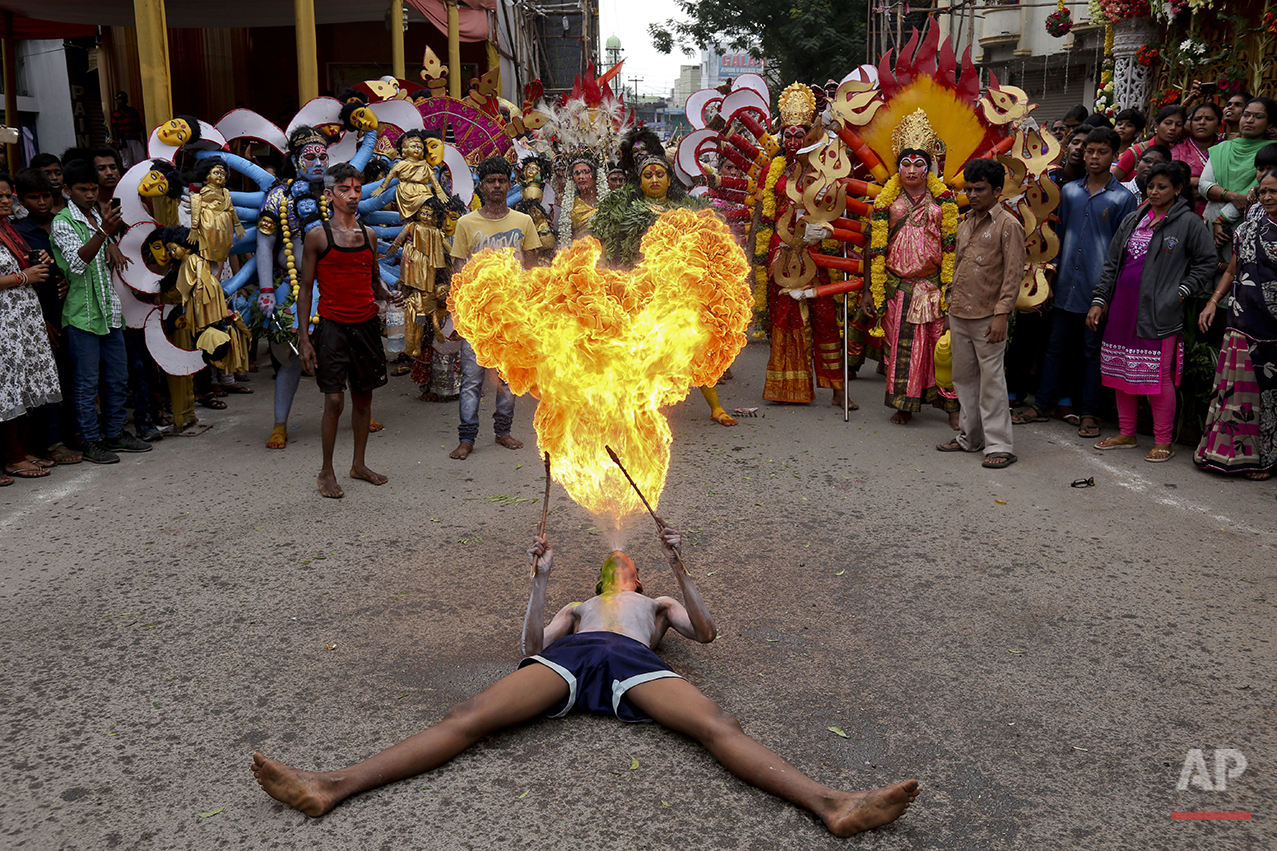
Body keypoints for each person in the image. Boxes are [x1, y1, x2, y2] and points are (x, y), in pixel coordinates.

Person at [249, 524, 920, 835]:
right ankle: (329, 784)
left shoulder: (653, 605)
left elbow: (706, 633)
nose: (615, 562)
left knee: (718, 724)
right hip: (574, 656)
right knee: (468, 716)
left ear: (635, 578)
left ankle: (831, 802)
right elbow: (528, 644)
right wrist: (540, 583)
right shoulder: (577, 604)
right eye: (609, 562)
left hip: (632, 661)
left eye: (624, 563)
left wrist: (680, 566)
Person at [1012, 128, 1137, 439]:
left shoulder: (1123, 199)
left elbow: (1124, 251)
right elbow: (1055, 238)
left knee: (1092, 352)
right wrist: (1049, 281)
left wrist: (1108, 296)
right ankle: (1042, 405)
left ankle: (1090, 412)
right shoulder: (1068, 192)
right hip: (1066, 282)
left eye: (1102, 152)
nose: (1093, 157)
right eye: (1090, 151)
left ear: (1114, 155)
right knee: (1054, 347)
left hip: (1099, 289)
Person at [1086, 163, 1216, 462]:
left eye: (1162, 187)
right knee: (1122, 370)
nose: (1154, 192)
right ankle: (1127, 433)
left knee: (1158, 378)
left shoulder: (1189, 223)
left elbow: (1207, 262)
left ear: (1178, 189)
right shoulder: (1134, 218)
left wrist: (1181, 292)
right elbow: (1111, 264)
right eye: (1151, 186)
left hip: (1160, 312)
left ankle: (1162, 441)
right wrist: (1099, 300)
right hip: (1122, 307)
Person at [295, 163, 403, 499]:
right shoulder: (318, 237)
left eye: (357, 189)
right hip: (332, 328)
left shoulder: (368, 236)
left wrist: (386, 292)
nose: (353, 195)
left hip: (366, 326)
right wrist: (304, 339)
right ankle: (326, 471)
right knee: (334, 401)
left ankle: (358, 464)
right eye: (345, 190)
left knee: (364, 398)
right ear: (329, 195)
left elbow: (372, 279)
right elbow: (305, 289)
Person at [49, 159, 151, 464]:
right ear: (67, 190)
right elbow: (77, 265)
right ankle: (91, 441)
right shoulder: (62, 222)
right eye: (83, 189)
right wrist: (104, 234)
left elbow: (107, 250)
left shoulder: (96, 215)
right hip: (82, 314)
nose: (90, 195)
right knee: (86, 383)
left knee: (118, 378)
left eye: (93, 189)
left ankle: (115, 433)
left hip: (108, 310)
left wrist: (109, 238)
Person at [859, 142, 959, 427]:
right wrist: (868, 289)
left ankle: (951, 405)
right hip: (898, 287)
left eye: (919, 164)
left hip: (933, 288)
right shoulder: (887, 203)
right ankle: (904, 404)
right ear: (898, 169)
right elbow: (871, 246)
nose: (912, 170)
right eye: (906, 164)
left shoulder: (943, 203)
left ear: (929, 169)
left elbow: (953, 248)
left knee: (941, 349)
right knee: (901, 351)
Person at [936, 159, 1025, 468]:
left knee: (992, 382)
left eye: (980, 189)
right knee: (963, 379)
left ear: (997, 191)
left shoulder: (1008, 225)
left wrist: (1002, 315)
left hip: (989, 316)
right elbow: (959, 265)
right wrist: (950, 304)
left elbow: (1013, 275)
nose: (972, 195)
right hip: (960, 311)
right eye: (969, 189)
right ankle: (969, 437)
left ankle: (999, 445)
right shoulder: (966, 221)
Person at [448, 156, 537, 460]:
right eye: (491, 181)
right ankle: (467, 437)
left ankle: (503, 431)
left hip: (512, 316)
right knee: (472, 380)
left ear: (509, 184)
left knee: (507, 379)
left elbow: (533, 266)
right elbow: (458, 268)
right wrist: (461, 312)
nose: (497, 186)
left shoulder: (523, 222)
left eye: (502, 180)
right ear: (481, 186)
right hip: (477, 316)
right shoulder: (466, 223)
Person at [1193, 168, 1277, 480]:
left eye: (1274, 192)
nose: (1267, 197)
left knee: (1271, 396)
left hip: (1273, 329)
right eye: (1263, 191)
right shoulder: (1252, 225)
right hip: (1243, 320)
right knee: (1240, 392)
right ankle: (1226, 455)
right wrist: (1213, 301)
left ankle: (1266, 460)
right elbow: (1232, 269)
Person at [0, 174, 62, 485]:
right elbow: (16, 275)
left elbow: (21, 265)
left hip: (21, 319)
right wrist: (24, 276)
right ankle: (12, 457)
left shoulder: (7, 229)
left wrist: (37, 261)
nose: (5, 200)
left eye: (7, 194)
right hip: (3, 321)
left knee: (24, 383)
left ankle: (22, 451)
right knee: (7, 389)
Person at [1200, 97, 1277, 255]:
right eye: (1246, 115)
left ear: (1270, 124)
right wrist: (1233, 196)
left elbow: (1258, 191)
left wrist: (1223, 218)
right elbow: (1204, 184)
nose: (1249, 120)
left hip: (1248, 222)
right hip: (1212, 219)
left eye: (1258, 116)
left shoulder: (1272, 153)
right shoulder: (1222, 148)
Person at [1172, 102, 1223, 215]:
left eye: (1208, 119)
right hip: (1182, 211)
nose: (1202, 122)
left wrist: (1200, 184)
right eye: (1197, 119)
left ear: (1219, 125)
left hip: (1220, 213)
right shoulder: (1177, 151)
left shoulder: (1228, 150)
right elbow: (1168, 182)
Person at [1112, 106, 1185, 183]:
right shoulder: (1135, 152)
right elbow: (1112, 182)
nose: (1173, 128)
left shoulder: (1178, 153)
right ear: (1156, 127)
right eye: (1168, 123)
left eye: (1178, 125)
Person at [110, 91, 146, 169]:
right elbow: (114, 128)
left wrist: (144, 137)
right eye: (119, 99)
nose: (121, 101)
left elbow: (139, 124)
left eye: (123, 99)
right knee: (127, 162)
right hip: (124, 141)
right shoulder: (115, 114)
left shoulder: (132, 111)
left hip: (135, 138)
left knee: (140, 159)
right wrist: (116, 142)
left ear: (126, 100)